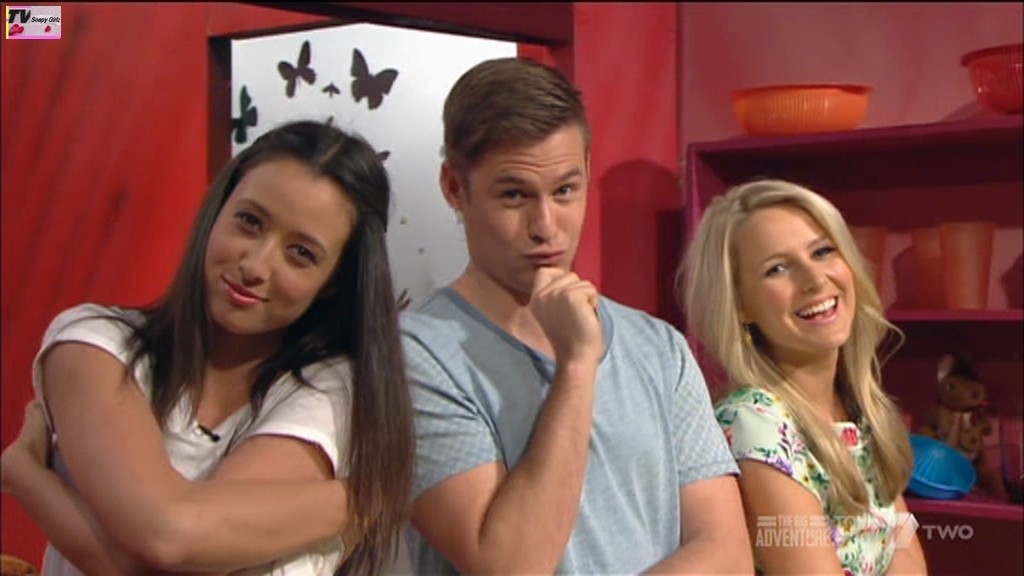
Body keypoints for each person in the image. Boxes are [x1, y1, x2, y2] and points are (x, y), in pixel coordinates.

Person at [0, 120, 414, 576]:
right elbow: (168, 538)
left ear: (333, 283)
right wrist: (359, 499)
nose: (255, 266)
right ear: (217, 209)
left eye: (301, 253)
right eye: (250, 222)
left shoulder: (333, 389)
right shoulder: (95, 344)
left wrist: (29, 478)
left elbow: (173, 547)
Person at [400, 57, 752, 575]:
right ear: (455, 187)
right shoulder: (416, 356)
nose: (546, 227)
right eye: (514, 195)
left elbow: (726, 552)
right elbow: (512, 566)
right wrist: (578, 364)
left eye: (565, 190)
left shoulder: (658, 347)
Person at [678, 178, 928, 575]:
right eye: (777, 268)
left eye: (822, 251)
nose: (815, 280)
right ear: (739, 304)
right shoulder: (754, 423)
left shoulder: (860, 406)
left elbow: (905, 550)